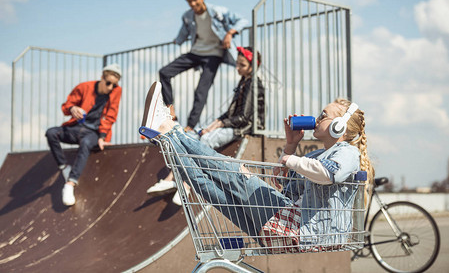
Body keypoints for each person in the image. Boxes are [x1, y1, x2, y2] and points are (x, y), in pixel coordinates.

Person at [140, 81, 375, 249]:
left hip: (298, 230)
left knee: (234, 173)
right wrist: (290, 147)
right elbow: (284, 188)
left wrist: (293, 160)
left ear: (339, 127)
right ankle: (166, 137)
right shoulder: (316, 155)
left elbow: (328, 175)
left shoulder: (348, 152)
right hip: (285, 230)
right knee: (208, 187)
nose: (317, 117)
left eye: (323, 115)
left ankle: (170, 129)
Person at [147, 46, 265, 205]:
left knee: (207, 140)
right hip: (233, 124)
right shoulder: (244, 81)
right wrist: (215, 123)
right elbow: (230, 111)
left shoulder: (253, 84)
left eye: (242, 65)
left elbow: (244, 117)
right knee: (191, 136)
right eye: (237, 63)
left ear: (253, 66)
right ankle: (171, 179)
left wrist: (219, 125)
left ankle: (187, 185)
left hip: (244, 129)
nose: (237, 68)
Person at [159, 0, 248, 133]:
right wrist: (177, 40)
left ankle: (190, 126)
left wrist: (229, 33)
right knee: (164, 72)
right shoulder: (187, 16)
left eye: (195, 0)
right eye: (189, 1)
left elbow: (243, 20)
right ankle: (170, 111)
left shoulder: (217, 11)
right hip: (195, 53)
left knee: (201, 90)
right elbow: (183, 34)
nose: (192, 4)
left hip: (214, 55)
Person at [45, 64, 122, 206]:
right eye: (108, 83)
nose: (111, 87)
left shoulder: (116, 92)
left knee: (86, 143)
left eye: (114, 85)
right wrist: (72, 108)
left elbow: (111, 115)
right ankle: (64, 168)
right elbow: (66, 106)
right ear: (102, 78)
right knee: (51, 133)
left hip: (94, 133)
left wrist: (103, 136)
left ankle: (70, 184)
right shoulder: (84, 87)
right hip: (76, 128)